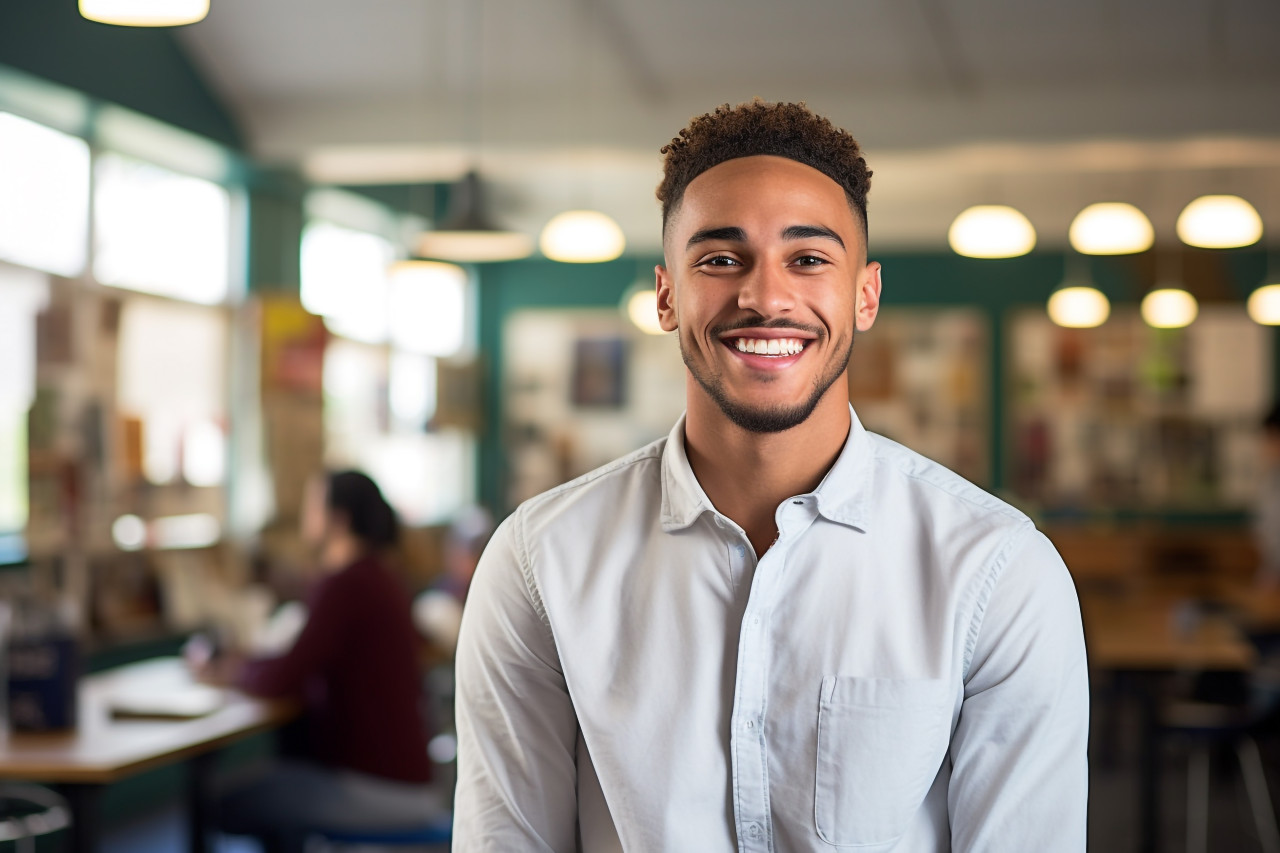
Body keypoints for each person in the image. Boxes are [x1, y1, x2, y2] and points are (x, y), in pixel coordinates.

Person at [454, 100, 1089, 851]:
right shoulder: (538, 563)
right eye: (721, 259)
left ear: (865, 295)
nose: (764, 296)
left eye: (809, 258)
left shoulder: (998, 570)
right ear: (666, 295)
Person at [199, 470, 442, 853]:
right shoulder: (383, 576)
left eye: (313, 506)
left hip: (373, 789)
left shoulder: (346, 584)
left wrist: (230, 668)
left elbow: (282, 676)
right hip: (411, 780)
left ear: (338, 519)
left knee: (220, 804)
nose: (305, 517)